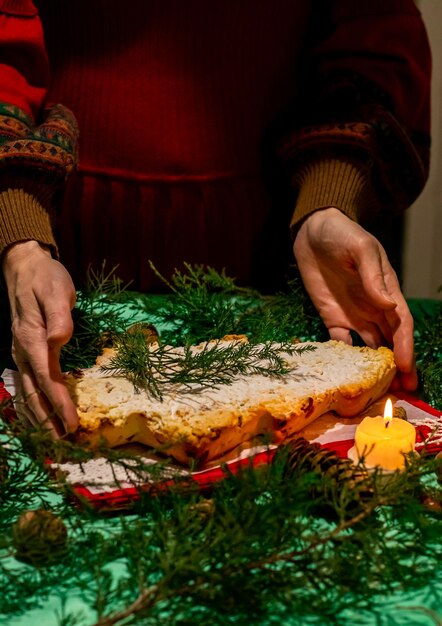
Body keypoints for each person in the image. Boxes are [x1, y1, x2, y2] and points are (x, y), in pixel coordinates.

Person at [0, 0, 431, 436]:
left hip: (280, 257)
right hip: (53, 249)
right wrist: (19, 233)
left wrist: (328, 199)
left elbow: (374, 36)